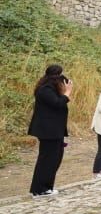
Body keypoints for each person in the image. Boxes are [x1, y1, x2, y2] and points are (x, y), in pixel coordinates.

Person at [28, 64, 72, 197]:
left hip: (54, 130)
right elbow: (57, 103)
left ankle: (47, 187)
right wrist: (67, 93)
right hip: (48, 131)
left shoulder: (50, 88)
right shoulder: (45, 89)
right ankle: (39, 189)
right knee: (47, 160)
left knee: (55, 158)